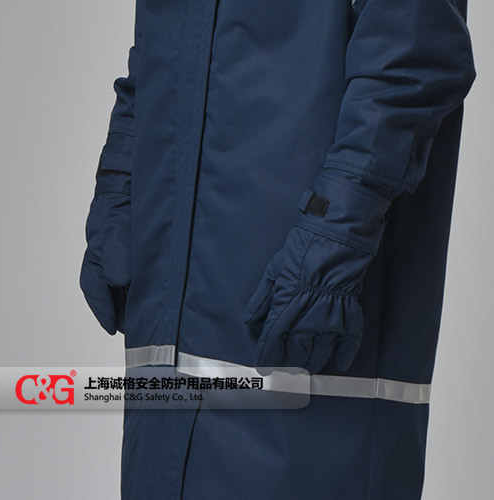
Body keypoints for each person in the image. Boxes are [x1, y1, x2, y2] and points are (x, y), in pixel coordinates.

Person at [80, 1, 475, 499]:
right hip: (170, 354)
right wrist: (120, 182)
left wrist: (333, 237)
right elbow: (158, 51)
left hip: (304, 330)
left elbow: (411, 53)